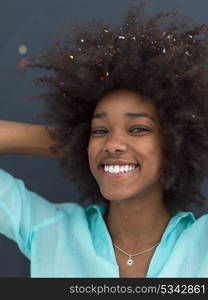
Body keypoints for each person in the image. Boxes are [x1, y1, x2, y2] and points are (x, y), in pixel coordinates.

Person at [1, 1, 208, 278]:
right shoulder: (47, 230)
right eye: (100, 130)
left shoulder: (201, 244)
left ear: (175, 141)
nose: (112, 143)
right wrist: (75, 144)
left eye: (138, 129)